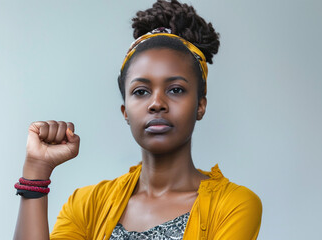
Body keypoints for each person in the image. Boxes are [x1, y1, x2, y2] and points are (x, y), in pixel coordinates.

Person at [13, 0, 262, 239]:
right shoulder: (86, 205)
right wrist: (36, 172)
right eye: (141, 91)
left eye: (175, 89)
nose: (156, 103)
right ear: (125, 112)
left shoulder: (233, 205)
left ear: (200, 105)